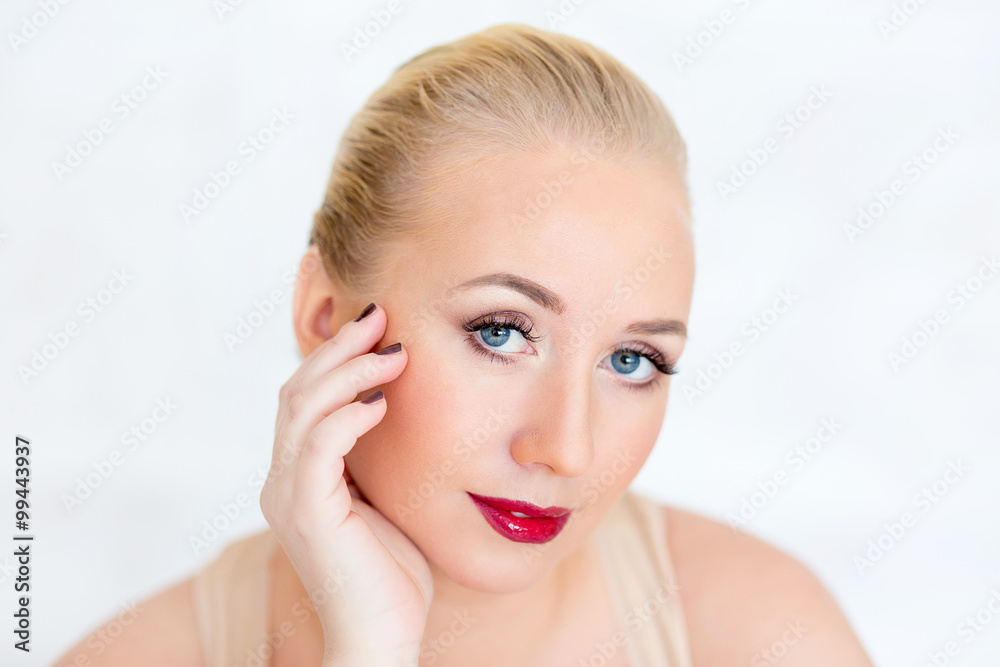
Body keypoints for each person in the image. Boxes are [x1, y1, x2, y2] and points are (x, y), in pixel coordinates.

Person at [53, 23, 875, 667]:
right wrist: (370, 648)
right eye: (502, 332)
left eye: (633, 361)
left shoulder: (762, 630)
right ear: (325, 316)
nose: (567, 448)